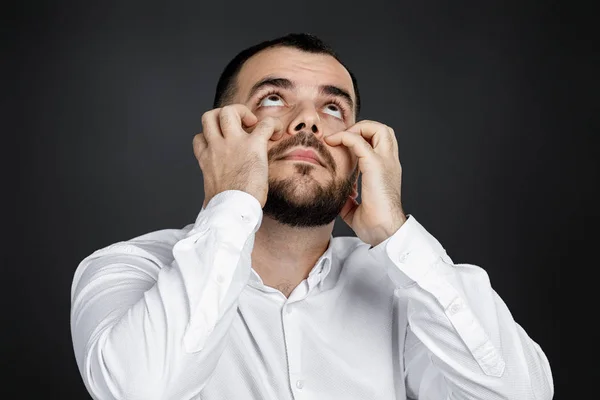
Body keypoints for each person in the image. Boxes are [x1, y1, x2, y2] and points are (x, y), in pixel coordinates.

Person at [70, 33, 554, 400]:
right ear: (221, 134)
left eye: (333, 107)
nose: (309, 122)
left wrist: (393, 233)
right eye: (274, 99)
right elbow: (139, 391)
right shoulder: (128, 270)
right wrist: (233, 200)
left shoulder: (405, 288)